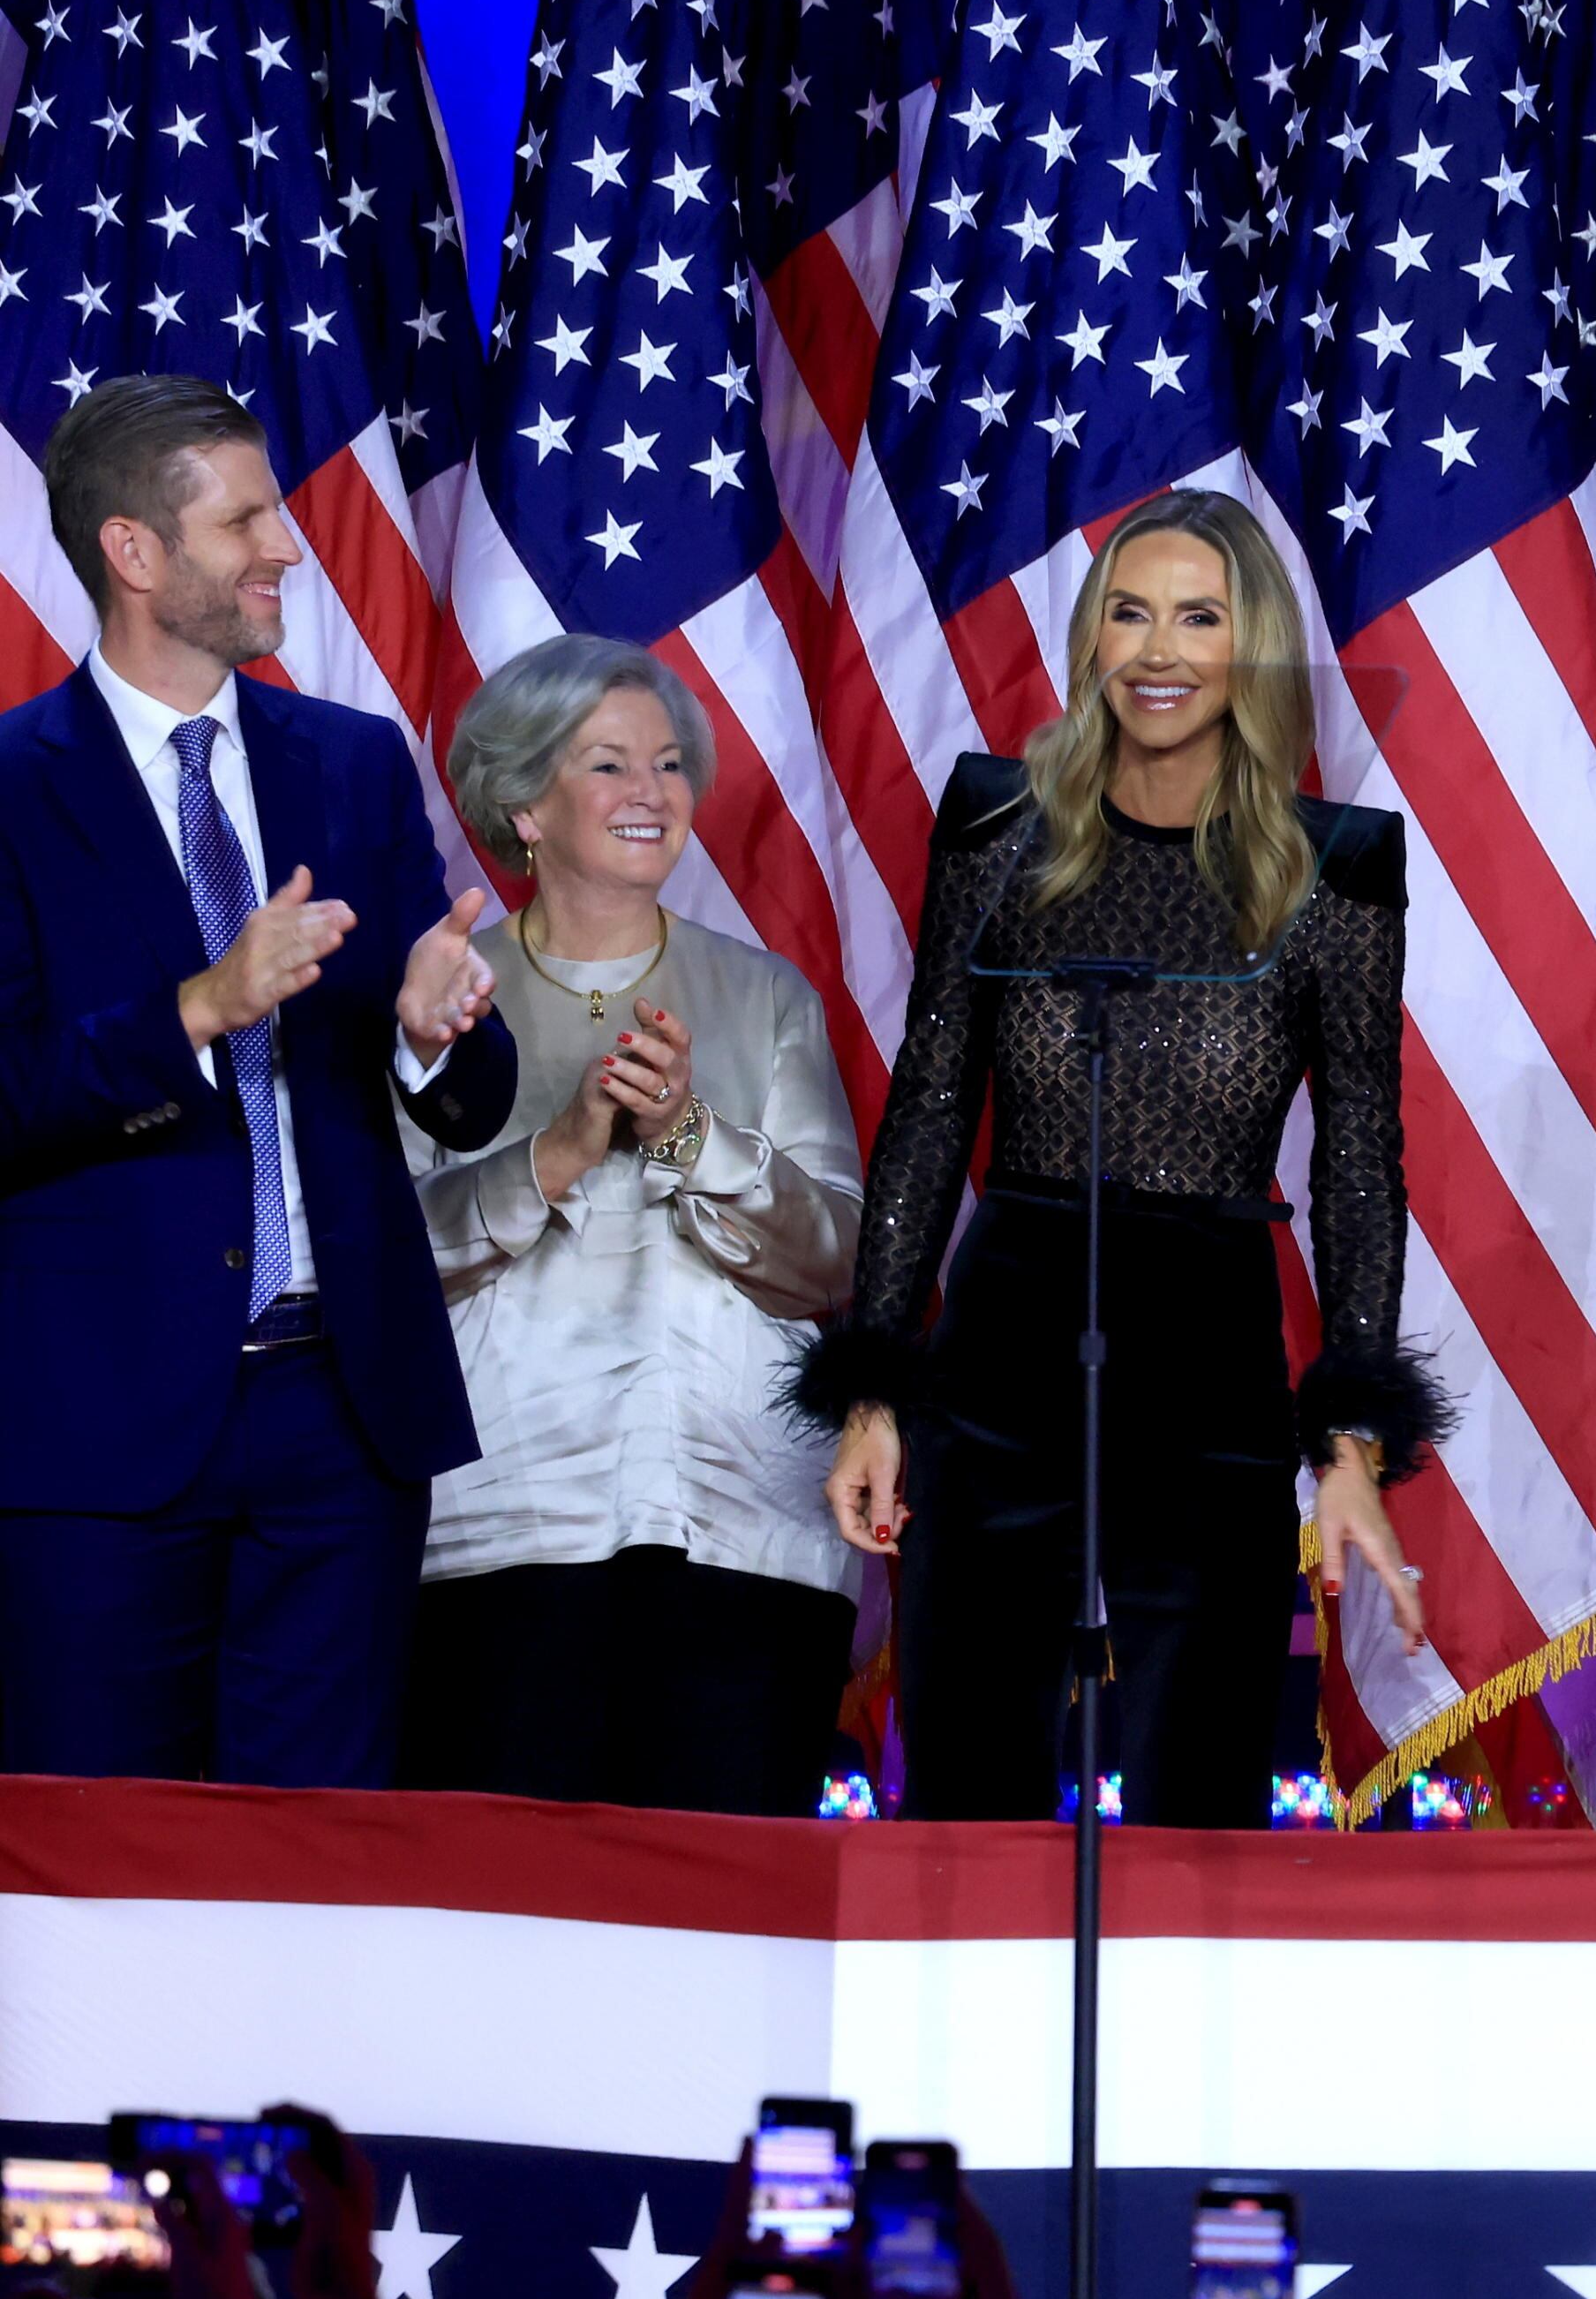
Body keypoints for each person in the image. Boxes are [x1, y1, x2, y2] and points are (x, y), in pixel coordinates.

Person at [794, 491, 1439, 1828]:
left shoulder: (1339, 869)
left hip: (1209, 1339)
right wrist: (873, 1392)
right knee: (967, 1772)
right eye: (1129, 613)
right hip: (1009, 1322)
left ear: (1248, 649)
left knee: (1201, 1780)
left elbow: (1362, 1164)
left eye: (1199, 617)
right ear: (1091, 640)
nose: (1158, 649)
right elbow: (927, 1104)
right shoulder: (995, 825)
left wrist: (1355, 1441)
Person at [0, 375, 512, 1789]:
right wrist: (200, 1009)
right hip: (93, 1431)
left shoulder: (350, 766)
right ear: (136, 552)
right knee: (95, 1872)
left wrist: (436, 1028)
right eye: (249, 518)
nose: (289, 544)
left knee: (318, 1871)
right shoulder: (10, 785)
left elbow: (468, 1090)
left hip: (341, 1421)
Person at [395, 637, 868, 1816]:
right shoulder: (443, 998)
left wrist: (688, 1132)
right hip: (502, 1530)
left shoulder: (766, 997)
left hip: (745, 1534)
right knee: (511, 1936)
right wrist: (555, 1153)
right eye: (608, 765)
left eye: (668, 764)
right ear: (525, 803)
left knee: (732, 1926)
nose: (651, 794)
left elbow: (834, 1263)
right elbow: (386, 1260)